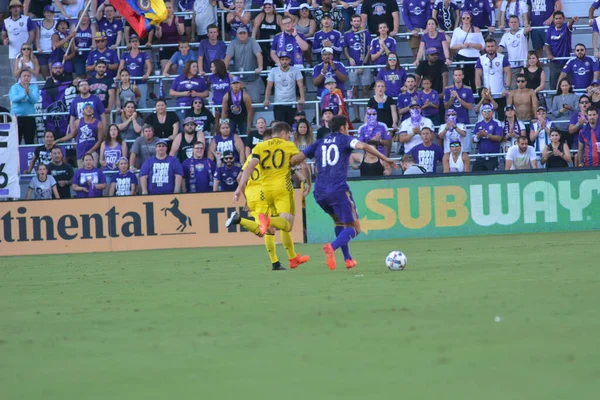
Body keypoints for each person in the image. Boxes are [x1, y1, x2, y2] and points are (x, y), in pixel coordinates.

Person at [290, 115, 396, 269]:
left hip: (319, 192)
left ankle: (348, 259)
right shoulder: (344, 139)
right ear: (343, 127)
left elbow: (297, 159)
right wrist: (385, 158)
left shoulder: (319, 142)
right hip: (337, 190)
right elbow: (364, 146)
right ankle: (331, 247)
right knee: (355, 228)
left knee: (339, 222)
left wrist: (306, 181)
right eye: (347, 126)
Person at [234, 122, 311, 269]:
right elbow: (302, 165)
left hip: (265, 191)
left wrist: (239, 188)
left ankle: (290, 259)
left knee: (274, 228)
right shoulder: (287, 145)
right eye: (288, 134)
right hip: (282, 188)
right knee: (287, 224)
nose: (289, 136)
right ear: (282, 133)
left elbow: (249, 167)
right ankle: (267, 223)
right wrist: (308, 182)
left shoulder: (259, 147)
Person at [226, 129, 291, 271]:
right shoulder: (267, 154)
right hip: (263, 194)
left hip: (251, 195)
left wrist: (247, 199)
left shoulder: (251, 156)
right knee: (266, 229)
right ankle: (238, 220)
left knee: (268, 230)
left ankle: (275, 263)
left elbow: (239, 178)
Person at [224, 25, 264, 103]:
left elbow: (259, 55)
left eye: (244, 33)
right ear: (237, 35)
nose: (242, 35)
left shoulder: (252, 41)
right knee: (237, 103)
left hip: (253, 79)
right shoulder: (233, 43)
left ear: (247, 34)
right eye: (240, 33)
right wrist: (225, 70)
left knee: (254, 102)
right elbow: (227, 57)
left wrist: (260, 67)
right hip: (238, 81)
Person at [264, 51, 305, 126]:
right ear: (279, 60)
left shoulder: (296, 70)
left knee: (291, 127)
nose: (284, 61)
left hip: (291, 103)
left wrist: (302, 98)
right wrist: (266, 99)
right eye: (282, 59)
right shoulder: (274, 71)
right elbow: (269, 86)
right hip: (278, 103)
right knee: (279, 127)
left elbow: (301, 85)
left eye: (286, 59)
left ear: (289, 60)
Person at [58, 102, 104, 168]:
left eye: (91, 108)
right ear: (82, 111)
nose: (89, 109)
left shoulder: (98, 123)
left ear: (93, 111)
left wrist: (89, 152)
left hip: (93, 151)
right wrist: (58, 140)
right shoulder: (77, 122)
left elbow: (100, 141)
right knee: (81, 172)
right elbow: (71, 135)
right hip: (81, 151)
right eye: (86, 108)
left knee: (92, 169)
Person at [344, 13, 372, 120]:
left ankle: (366, 116)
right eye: (354, 21)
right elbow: (345, 49)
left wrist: (364, 64)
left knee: (365, 90)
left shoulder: (366, 33)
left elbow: (369, 49)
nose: (356, 23)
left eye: (358, 21)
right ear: (351, 22)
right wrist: (349, 58)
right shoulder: (347, 34)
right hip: (352, 66)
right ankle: (356, 116)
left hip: (364, 65)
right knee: (354, 90)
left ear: (360, 22)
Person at [476, 38, 512, 121]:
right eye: (488, 46)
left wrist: (507, 88)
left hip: (500, 93)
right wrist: (479, 90)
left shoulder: (502, 58)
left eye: (492, 46)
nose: (490, 48)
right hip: (487, 96)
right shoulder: (481, 59)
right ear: (485, 48)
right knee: (486, 119)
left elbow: (508, 73)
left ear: (495, 46)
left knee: (501, 119)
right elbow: (477, 75)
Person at [449, 11, 485, 92]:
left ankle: (476, 98)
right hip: (462, 56)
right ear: (461, 19)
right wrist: (462, 45)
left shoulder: (476, 29)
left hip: (475, 56)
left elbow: (483, 45)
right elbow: (452, 45)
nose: (466, 19)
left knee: (475, 78)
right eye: (463, 18)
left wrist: (473, 45)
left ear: (471, 18)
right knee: (463, 78)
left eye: (467, 18)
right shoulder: (457, 30)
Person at [117, 34, 152, 110]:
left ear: (139, 43)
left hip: (141, 82)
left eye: (136, 41)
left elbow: (149, 65)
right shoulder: (125, 54)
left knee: (142, 104)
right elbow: (121, 65)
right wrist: (118, 75)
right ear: (130, 43)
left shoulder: (143, 53)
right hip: (129, 83)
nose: (135, 43)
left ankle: (143, 122)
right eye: (133, 41)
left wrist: (147, 74)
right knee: (128, 104)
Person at [545, 12, 577, 92]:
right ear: (554, 20)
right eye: (556, 19)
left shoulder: (566, 27)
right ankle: (554, 103)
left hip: (566, 61)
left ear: (563, 19)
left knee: (568, 84)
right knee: (553, 84)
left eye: (560, 18)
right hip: (554, 62)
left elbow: (570, 24)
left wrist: (573, 19)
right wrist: (549, 54)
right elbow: (547, 45)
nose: (558, 20)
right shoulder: (550, 30)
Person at [150, 1, 185, 76]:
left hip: (175, 47)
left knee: (174, 67)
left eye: (170, 8)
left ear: (173, 9)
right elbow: (158, 36)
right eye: (166, 8)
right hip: (164, 47)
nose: (168, 9)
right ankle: (165, 87)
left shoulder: (178, 19)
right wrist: (158, 28)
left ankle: (175, 87)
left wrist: (177, 24)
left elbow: (181, 33)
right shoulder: (160, 20)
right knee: (164, 68)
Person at [1, 0, 36, 72]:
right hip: (13, 53)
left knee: (28, 75)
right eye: (13, 7)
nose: (16, 9)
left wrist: (26, 47)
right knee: (16, 76)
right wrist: (5, 40)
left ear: (21, 8)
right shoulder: (6, 21)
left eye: (18, 7)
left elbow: (32, 34)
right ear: (10, 9)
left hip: (27, 54)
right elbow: (3, 34)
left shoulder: (27, 19)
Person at [9, 68, 40, 145]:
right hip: (16, 118)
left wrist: (29, 93)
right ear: (20, 77)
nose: (26, 77)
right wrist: (24, 94)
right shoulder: (14, 87)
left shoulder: (34, 88)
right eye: (24, 76)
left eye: (28, 76)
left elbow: (34, 100)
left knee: (29, 141)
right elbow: (14, 99)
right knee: (16, 142)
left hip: (29, 117)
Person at [498, 16, 531, 87]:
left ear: (519, 23)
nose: (513, 24)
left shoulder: (522, 31)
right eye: (512, 22)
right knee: (513, 88)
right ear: (509, 24)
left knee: (525, 88)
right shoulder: (506, 35)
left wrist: (527, 27)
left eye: (515, 22)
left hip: (524, 65)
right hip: (512, 66)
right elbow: (500, 48)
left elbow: (526, 31)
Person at [472, 104, 504, 171]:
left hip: (493, 156)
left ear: (492, 112)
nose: (487, 112)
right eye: (485, 111)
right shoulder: (478, 124)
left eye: (489, 110)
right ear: (482, 112)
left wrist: (487, 135)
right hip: (481, 156)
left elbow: (499, 138)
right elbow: (473, 140)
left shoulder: (497, 123)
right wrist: (479, 135)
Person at [252, 0, 282, 70]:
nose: (267, 8)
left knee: (275, 65)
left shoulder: (278, 17)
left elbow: (283, 32)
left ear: (273, 7)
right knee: (264, 64)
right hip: (263, 45)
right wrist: (253, 41)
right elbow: (255, 28)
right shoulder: (261, 16)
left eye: (269, 6)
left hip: (275, 45)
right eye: (266, 7)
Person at [550, 78, 578, 144]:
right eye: (563, 86)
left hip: (571, 125)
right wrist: (560, 111)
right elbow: (553, 113)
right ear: (560, 86)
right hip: (559, 126)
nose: (564, 87)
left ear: (569, 86)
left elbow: (578, 111)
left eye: (566, 85)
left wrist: (571, 108)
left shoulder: (575, 97)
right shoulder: (556, 98)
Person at [35, 5, 58, 79]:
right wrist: (38, 47)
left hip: (53, 52)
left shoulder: (57, 23)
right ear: (44, 13)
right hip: (43, 52)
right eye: (47, 12)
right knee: (45, 73)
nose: (49, 14)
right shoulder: (39, 24)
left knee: (53, 72)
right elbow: (37, 37)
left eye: (51, 12)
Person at [71, 9, 95, 77]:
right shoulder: (74, 26)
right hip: (78, 54)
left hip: (89, 54)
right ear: (78, 18)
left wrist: (93, 45)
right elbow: (72, 39)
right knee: (79, 73)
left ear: (88, 18)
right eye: (82, 16)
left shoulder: (91, 26)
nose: (84, 18)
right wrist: (74, 46)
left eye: (85, 16)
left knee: (90, 73)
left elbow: (94, 38)